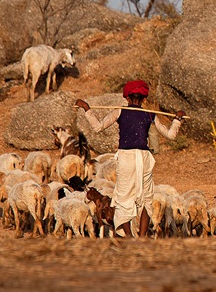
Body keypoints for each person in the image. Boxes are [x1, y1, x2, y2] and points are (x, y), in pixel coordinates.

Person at [75, 79, 186, 238]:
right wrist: (177, 120)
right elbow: (171, 135)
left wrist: (87, 110)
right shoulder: (150, 114)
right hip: (143, 158)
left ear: (126, 98)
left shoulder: (119, 111)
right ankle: (141, 236)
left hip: (126, 158)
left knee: (123, 197)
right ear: (144, 99)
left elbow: (98, 127)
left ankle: (128, 235)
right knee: (146, 197)